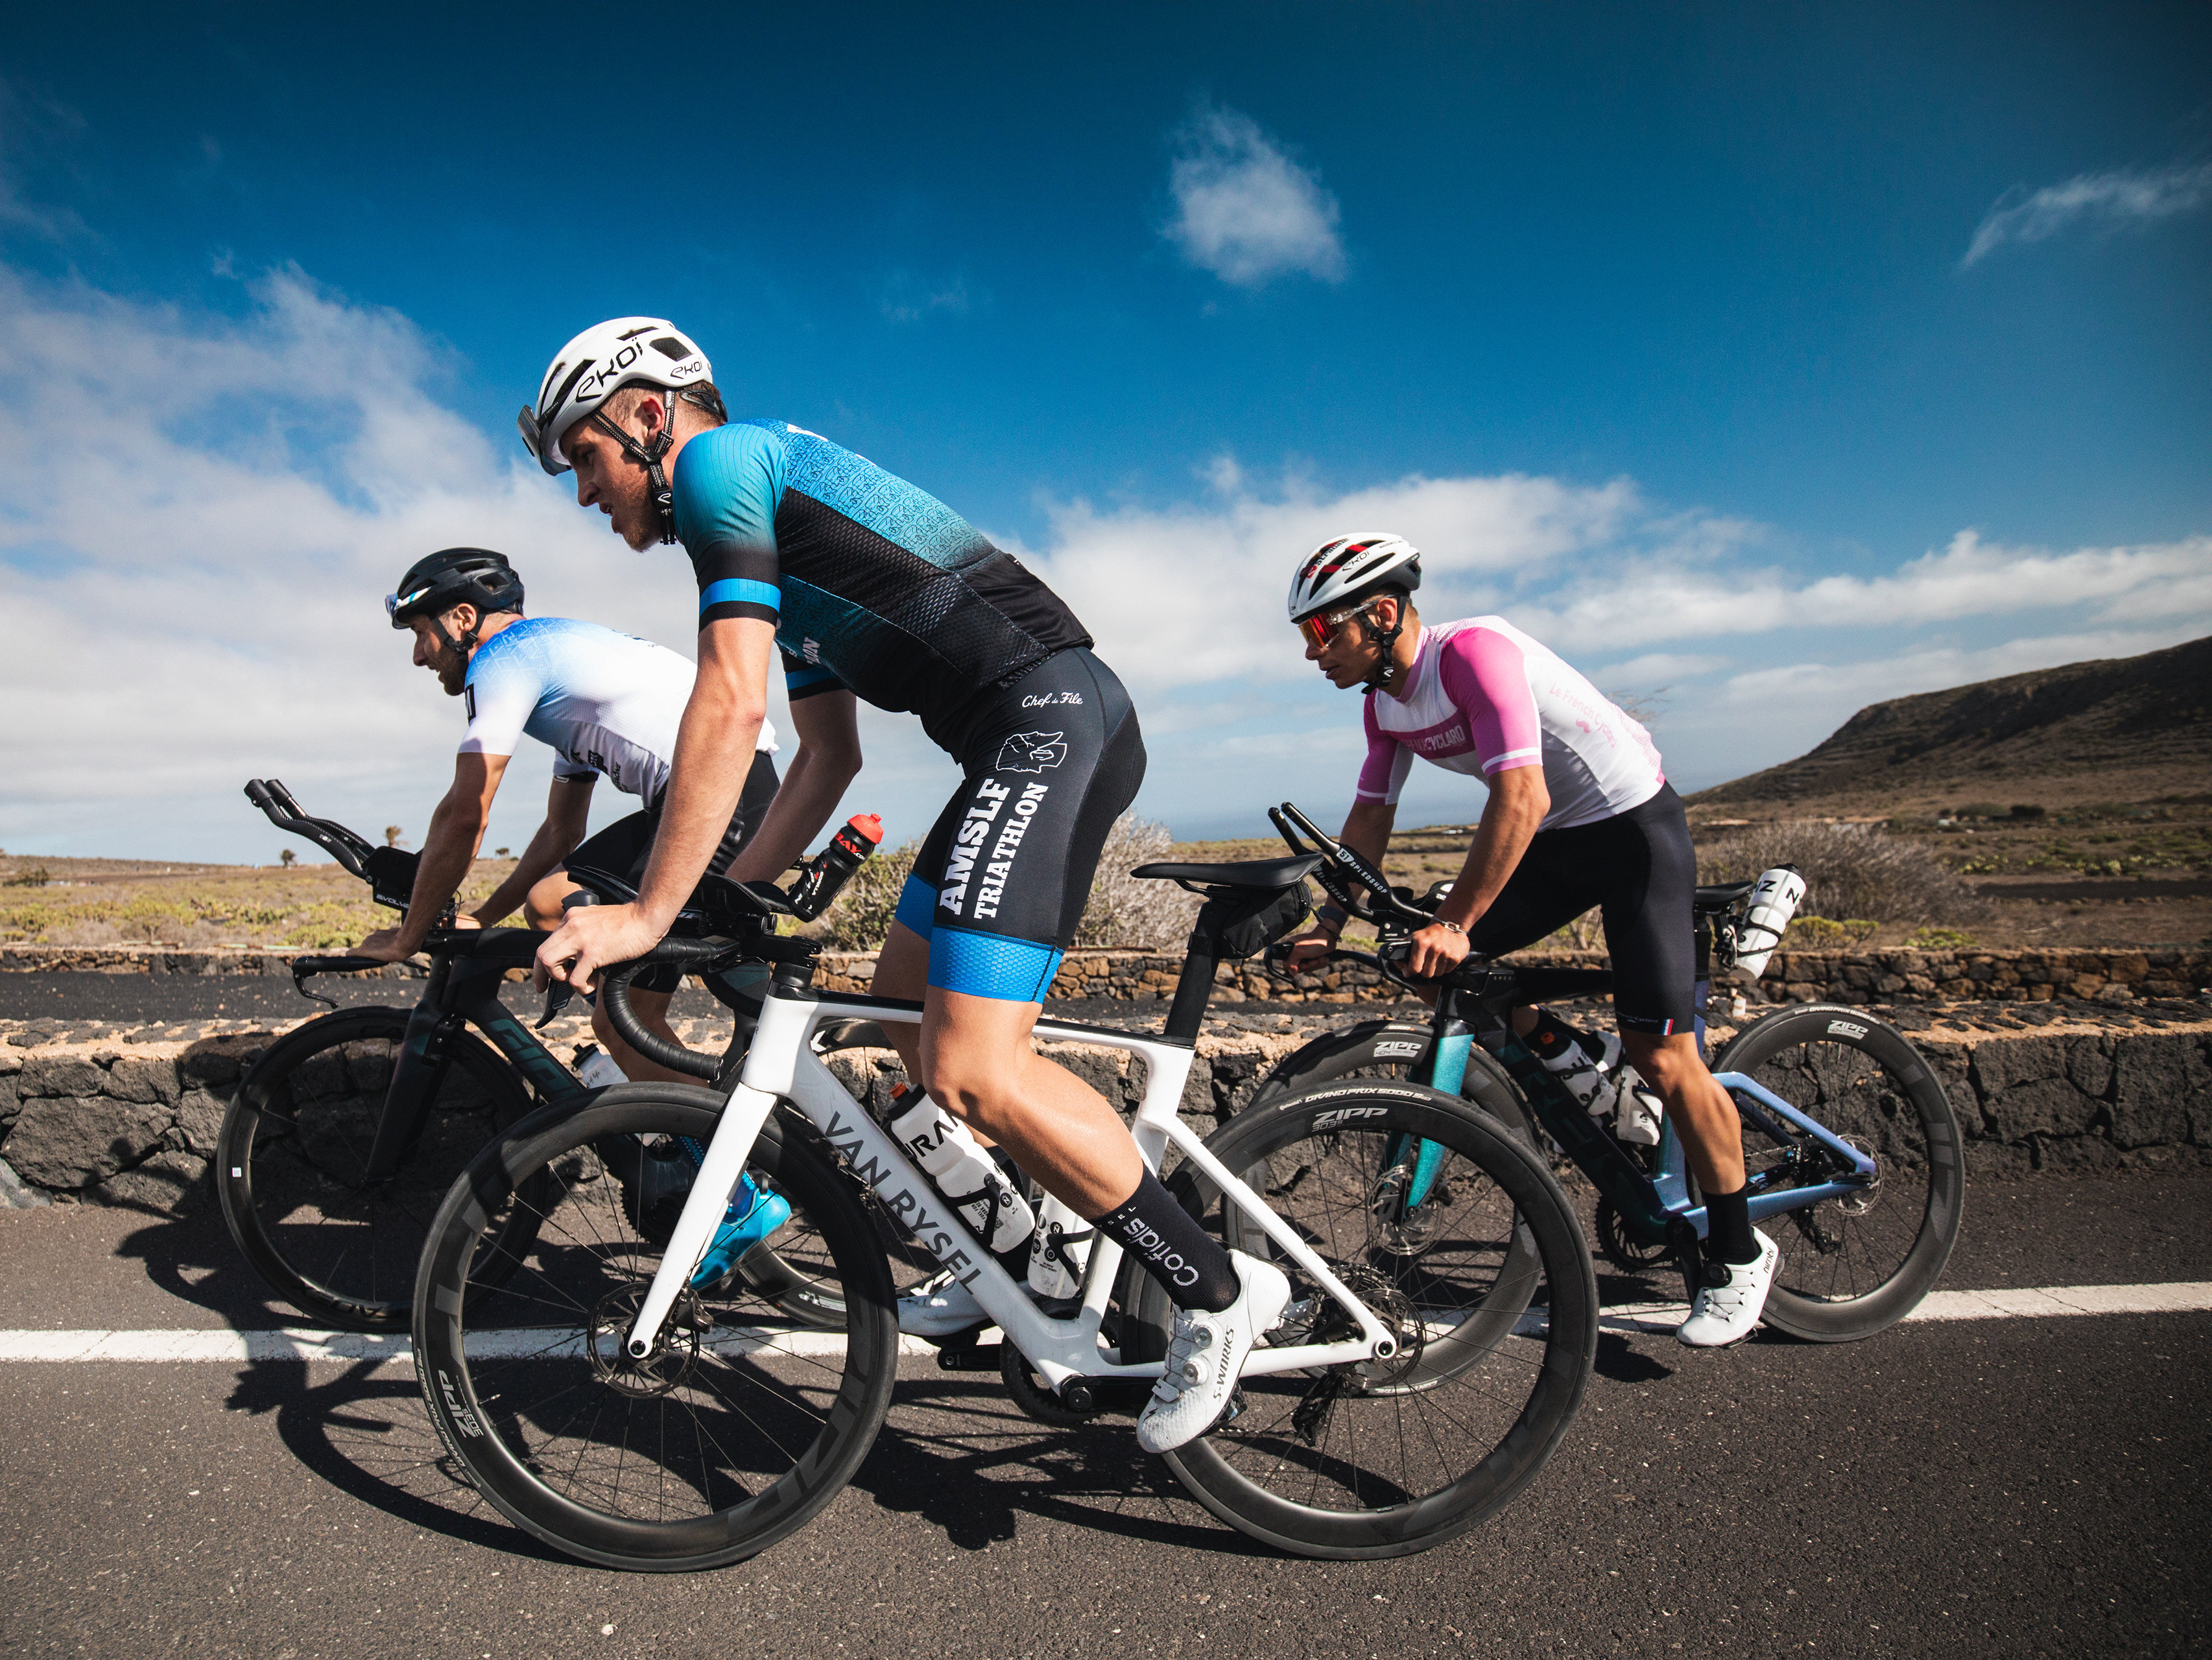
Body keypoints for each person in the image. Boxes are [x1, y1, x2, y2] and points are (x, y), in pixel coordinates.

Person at [517, 316, 1291, 1452]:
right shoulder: (770, 545)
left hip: (1050, 721)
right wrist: (731, 895)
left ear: (646, 414)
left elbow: (726, 706)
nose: (586, 491)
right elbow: (825, 759)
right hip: (1015, 743)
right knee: (903, 1029)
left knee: (977, 1067)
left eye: (585, 458)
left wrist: (650, 911)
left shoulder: (723, 466)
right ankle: (1015, 1262)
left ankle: (1218, 1294)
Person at [1277, 532, 1778, 1346]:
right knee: (1437, 972)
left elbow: (1522, 796)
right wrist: (1329, 921)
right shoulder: (1383, 705)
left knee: (1664, 1056)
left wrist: (1456, 921)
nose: (1313, 652)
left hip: (1632, 834)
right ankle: (1591, 1072)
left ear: (1383, 613)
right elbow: (1370, 817)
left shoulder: (1474, 655)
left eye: (1322, 631)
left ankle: (1739, 1250)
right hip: (1557, 846)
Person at [355, 546, 782, 1084]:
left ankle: (712, 1131)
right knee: (548, 900)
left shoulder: (502, 659)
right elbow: (562, 830)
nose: (419, 656)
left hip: (724, 800)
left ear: (463, 618)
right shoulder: (555, 662)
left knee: (624, 1024)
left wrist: (407, 937)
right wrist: (484, 917)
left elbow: (465, 813)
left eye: (421, 634)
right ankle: (655, 1069)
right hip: (727, 791)